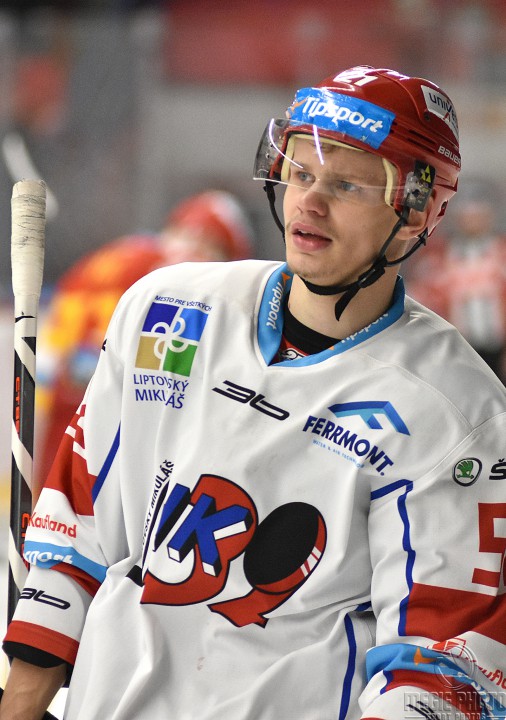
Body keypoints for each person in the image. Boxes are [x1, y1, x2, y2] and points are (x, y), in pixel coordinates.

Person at [1, 65, 505, 720]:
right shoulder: (167, 309)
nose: (309, 203)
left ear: (415, 208)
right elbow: (77, 539)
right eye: (301, 172)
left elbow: (440, 668)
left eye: (347, 184)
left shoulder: (459, 415)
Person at [34, 190, 254, 498]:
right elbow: (164, 369)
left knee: (52, 502)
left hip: (66, 393)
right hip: (122, 403)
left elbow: (50, 350)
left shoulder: (114, 253)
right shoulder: (190, 269)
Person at [404, 179, 506, 383]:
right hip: (457, 347)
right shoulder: (438, 256)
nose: (473, 221)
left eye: (479, 214)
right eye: (467, 215)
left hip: (498, 347)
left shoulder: (501, 252)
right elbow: (422, 300)